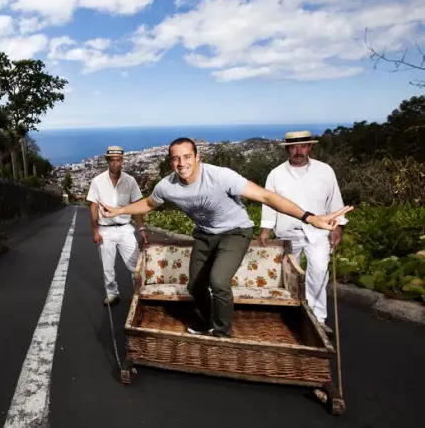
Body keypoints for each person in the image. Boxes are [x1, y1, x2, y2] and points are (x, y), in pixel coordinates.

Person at [98, 137, 353, 338]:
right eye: (175, 159)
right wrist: (120, 210)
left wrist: (310, 217)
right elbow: (148, 204)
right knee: (194, 286)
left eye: (187, 156)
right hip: (205, 234)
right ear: (170, 162)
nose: (181, 163)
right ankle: (209, 321)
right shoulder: (167, 185)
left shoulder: (220, 176)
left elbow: (266, 196)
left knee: (218, 280)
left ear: (198, 157)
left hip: (235, 231)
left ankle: (222, 332)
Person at [259, 131, 347, 334]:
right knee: (288, 276)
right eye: (294, 147)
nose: (298, 151)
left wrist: (338, 227)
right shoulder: (275, 174)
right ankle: (290, 317)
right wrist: (265, 230)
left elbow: (334, 200)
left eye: (303, 146)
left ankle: (318, 319)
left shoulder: (325, 171)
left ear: (310, 148)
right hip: (287, 232)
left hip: (318, 233)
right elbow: (269, 204)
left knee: (319, 272)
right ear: (287, 149)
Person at [86, 146, 149, 306]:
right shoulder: (97, 181)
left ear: (122, 160)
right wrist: (95, 231)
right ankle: (112, 293)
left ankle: (139, 292)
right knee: (108, 267)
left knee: (135, 264)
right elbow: (93, 207)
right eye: (112, 160)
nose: (115, 163)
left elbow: (137, 206)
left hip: (125, 228)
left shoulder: (130, 181)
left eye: (118, 160)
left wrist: (141, 228)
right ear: (108, 160)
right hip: (105, 229)